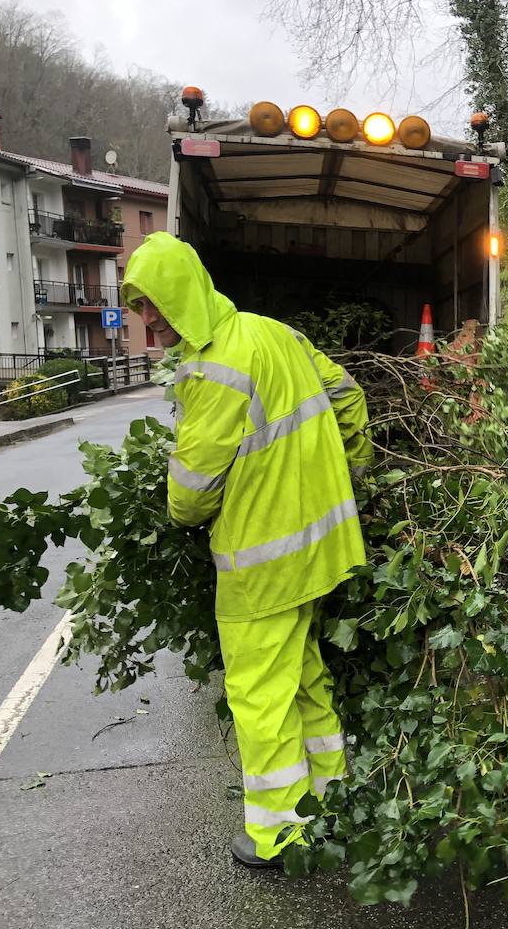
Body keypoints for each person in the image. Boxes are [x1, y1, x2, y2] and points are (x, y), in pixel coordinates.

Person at [120, 231, 373, 869]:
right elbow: (346, 394)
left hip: (261, 564)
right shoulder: (273, 333)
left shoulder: (211, 371)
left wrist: (176, 509)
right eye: (138, 306)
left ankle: (278, 834)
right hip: (321, 549)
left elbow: (194, 491)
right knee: (303, 676)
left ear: (179, 295)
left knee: (260, 695)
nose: (146, 319)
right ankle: (330, 799)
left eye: (151, 304)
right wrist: (352, 471)